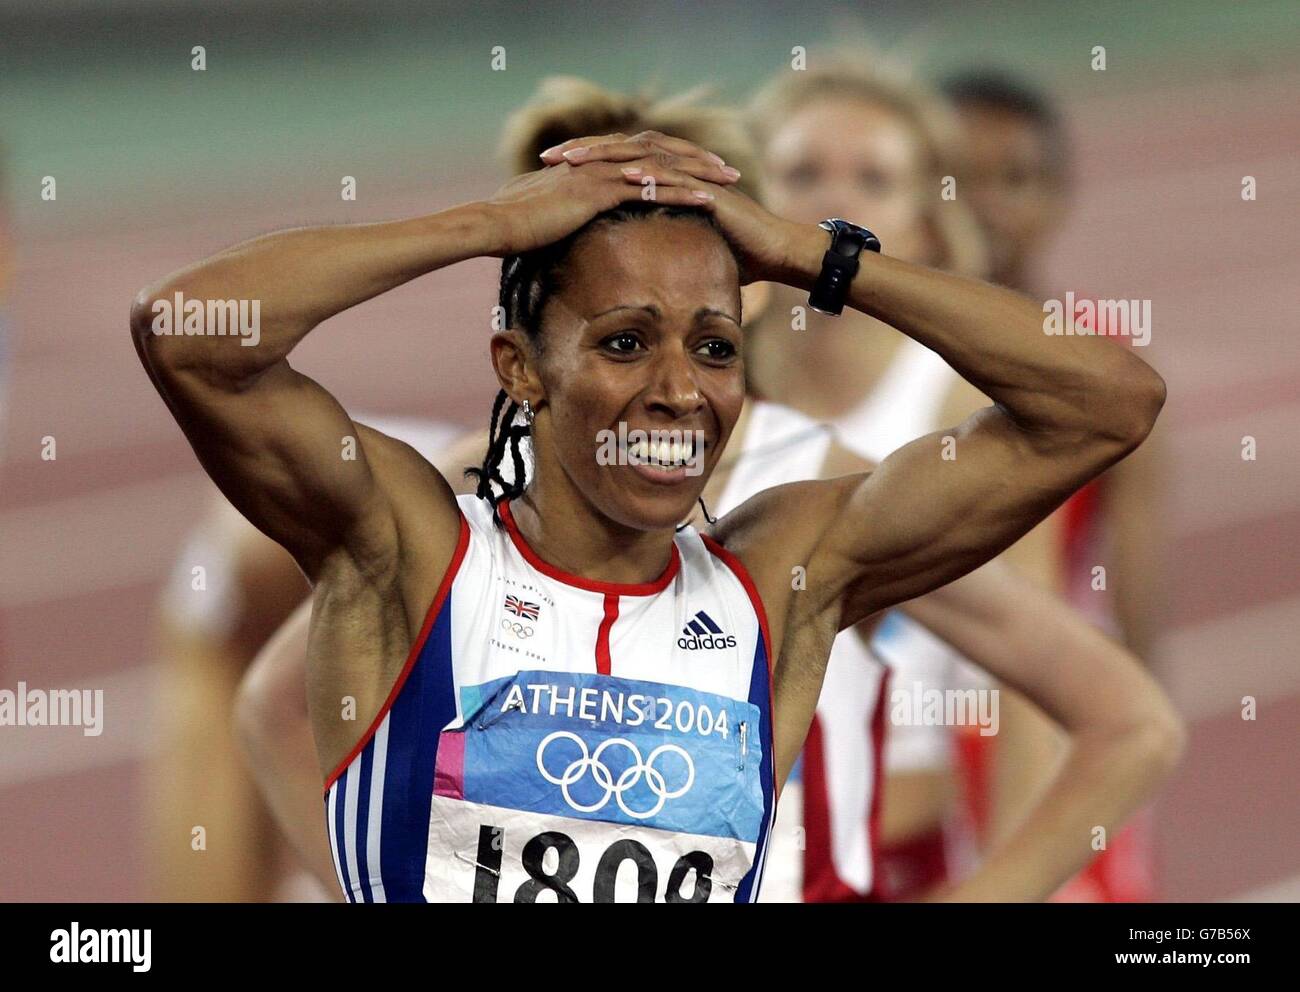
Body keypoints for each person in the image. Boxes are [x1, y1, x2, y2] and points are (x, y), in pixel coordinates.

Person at [131, 116, 1167, 901]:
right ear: (519, 368)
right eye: (625, 340)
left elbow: (1105, 403)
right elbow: (186, 332)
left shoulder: (782, 577)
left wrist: (816, 255)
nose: (679, 387)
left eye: (712, 345)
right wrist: (484, 227)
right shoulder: (407, 552)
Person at [745, 54, 1070, 896]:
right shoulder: (700, 386)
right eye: (802, 171)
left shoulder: (963, 405)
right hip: (706, 851)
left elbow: (1033, 682)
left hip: (894, 862)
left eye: (873, 177)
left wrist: (1005, 885)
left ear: (924, 221)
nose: (834, 203)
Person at [942, 68, 1170, 901]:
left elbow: (1139, 621)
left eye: (1017, 178)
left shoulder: (1112, 377)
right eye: (955, 177)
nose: (984, 203)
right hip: (902, 725)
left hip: (1040, 709)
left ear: (1061, 196)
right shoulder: (870, 360)